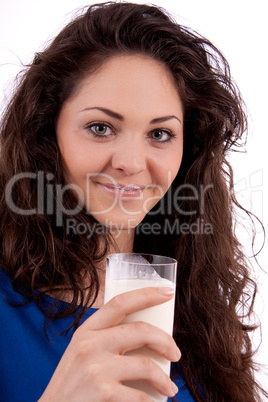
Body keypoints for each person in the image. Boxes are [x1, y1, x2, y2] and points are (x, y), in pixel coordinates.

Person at [0, 2, 266, 401]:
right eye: (101, 127)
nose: (129, 164)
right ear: (47, 130)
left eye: (160, 134)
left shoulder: (195, 300)